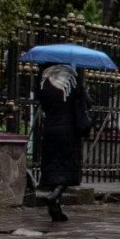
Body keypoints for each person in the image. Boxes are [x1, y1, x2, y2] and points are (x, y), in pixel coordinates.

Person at [32, 63, 92, 222]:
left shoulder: (44, 81)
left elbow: (43, 104)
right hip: (68, 130)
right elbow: (86, 102)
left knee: (53, 166)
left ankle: (56, 207)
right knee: (68, 167)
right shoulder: (72, 80)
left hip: (49, 129)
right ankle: (55, 195)